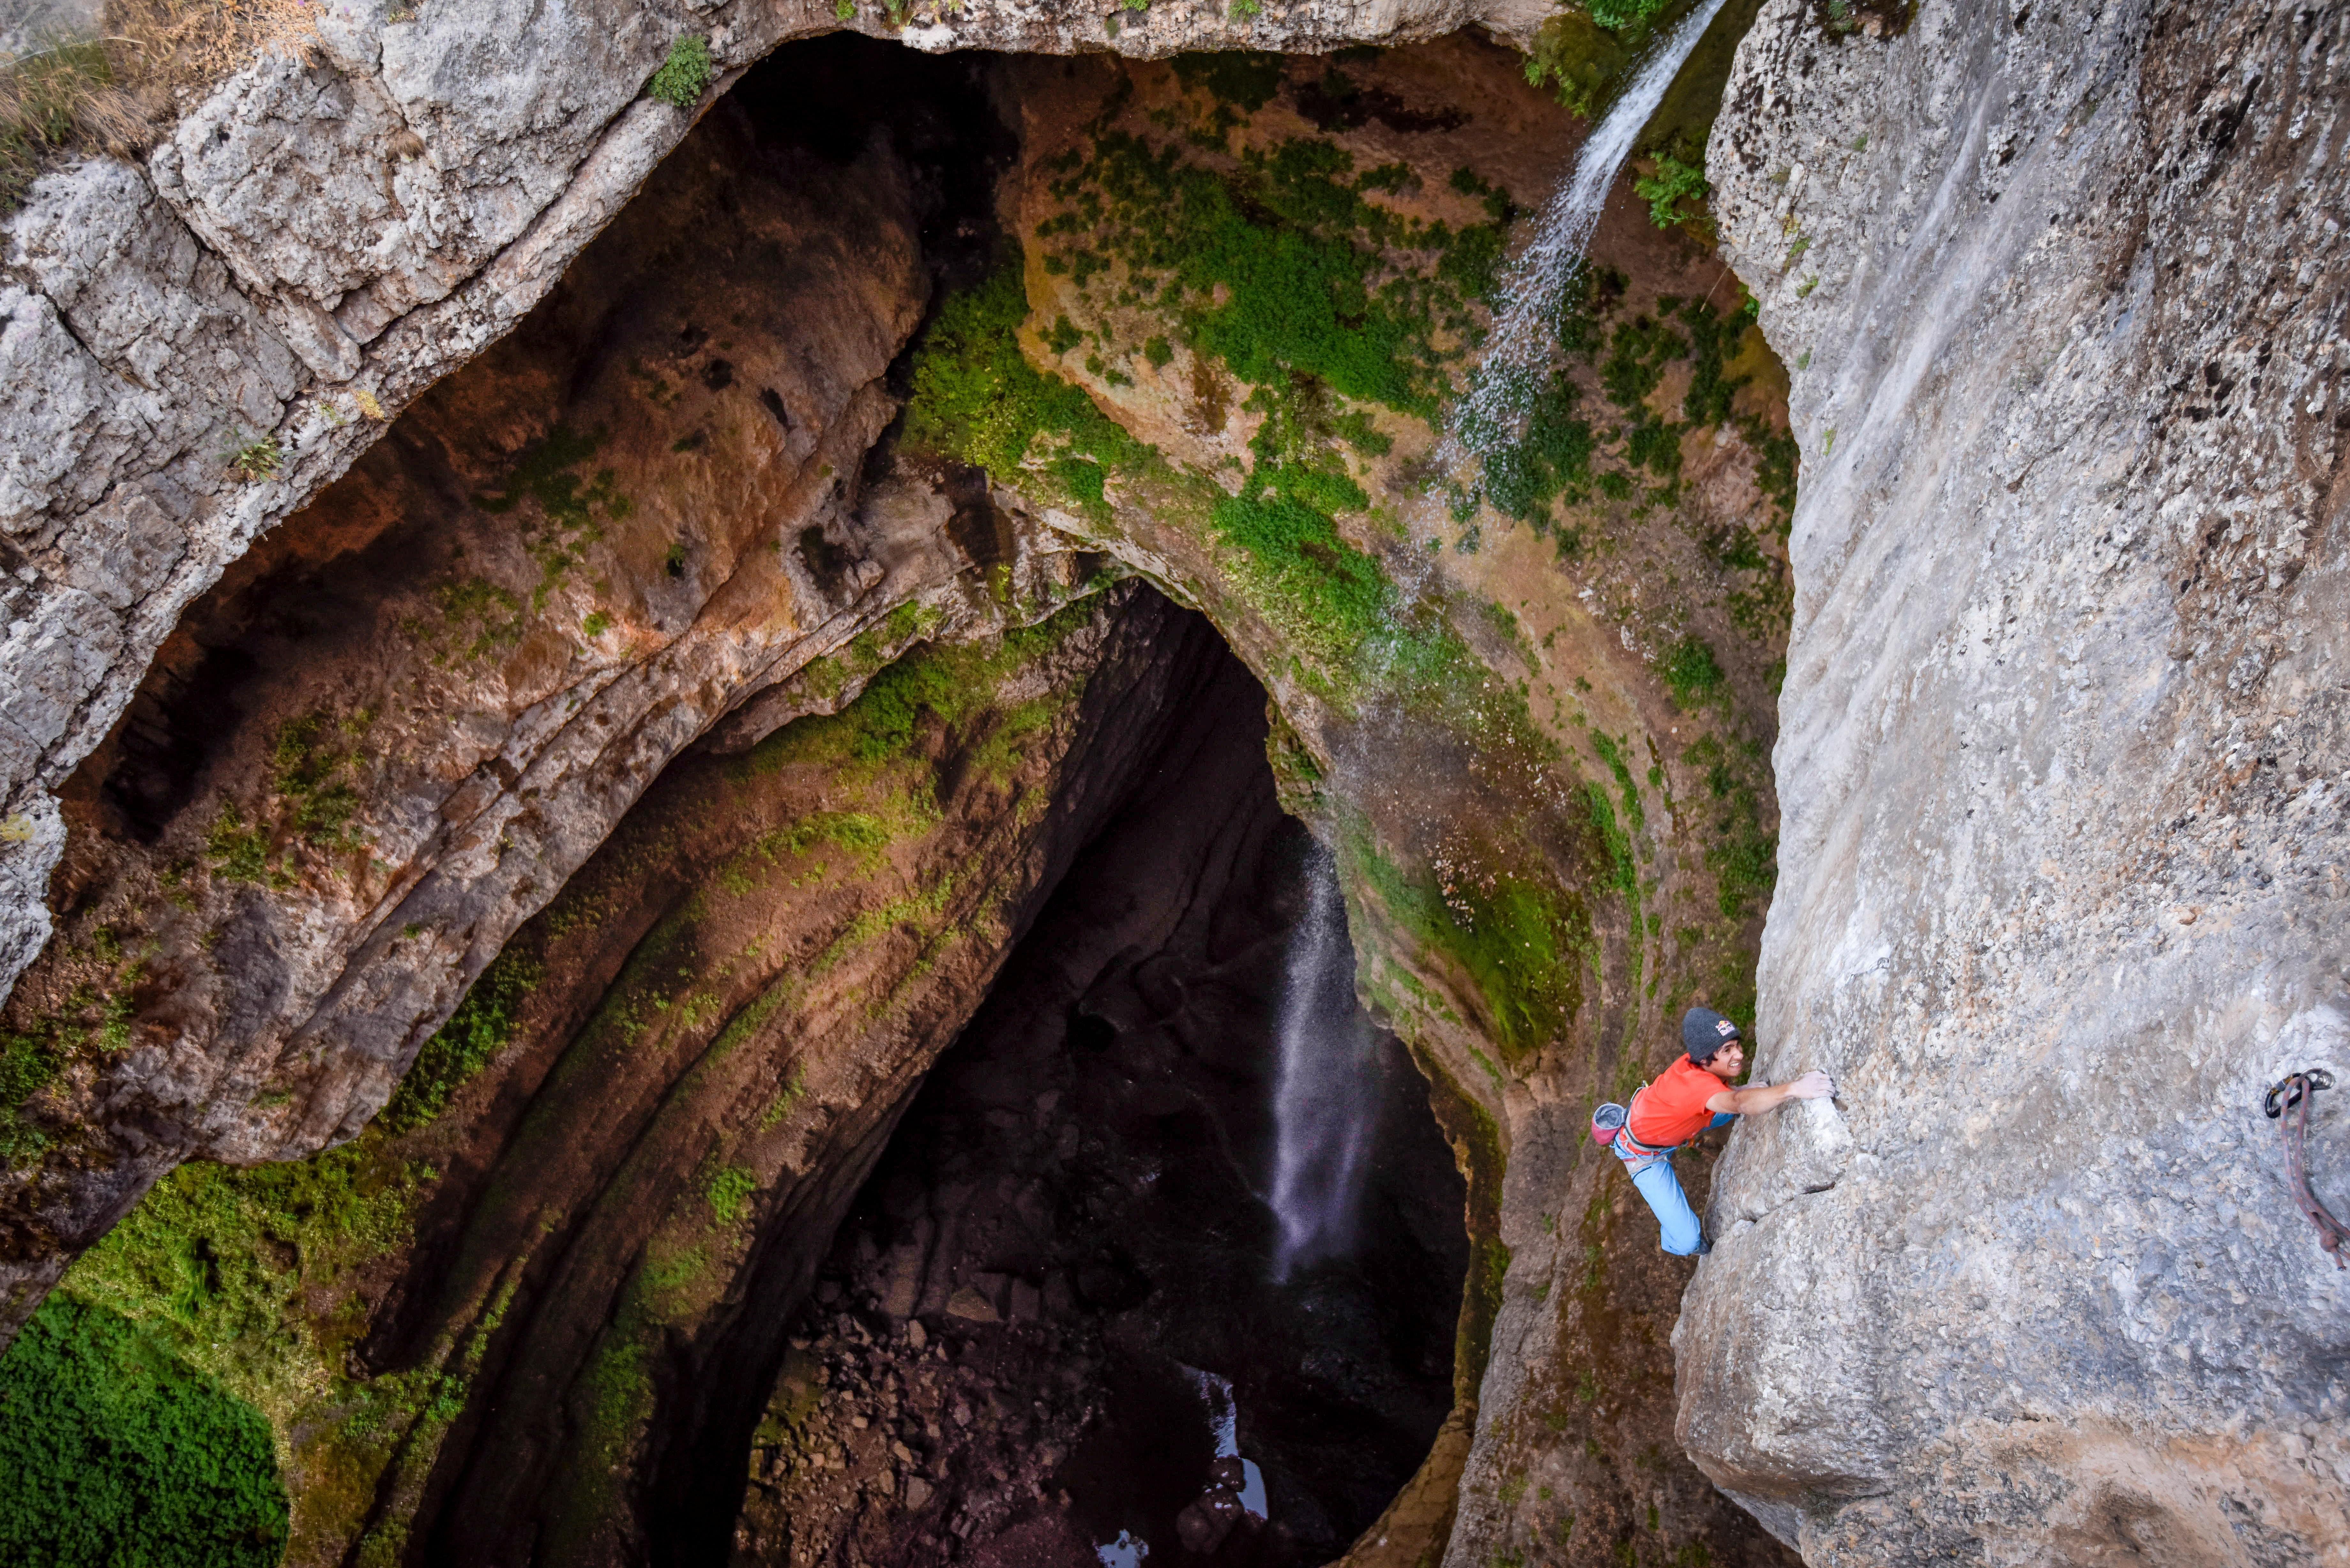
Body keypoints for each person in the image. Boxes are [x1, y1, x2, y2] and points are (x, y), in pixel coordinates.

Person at [1596, 1006, 1834, 1256]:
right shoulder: (1696, 1087)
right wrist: (1794, 1089)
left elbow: (1731, 1099)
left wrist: (1740, 1090)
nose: (1739, 1055)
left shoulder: (1700, 1065)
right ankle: (1673, 1241)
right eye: (1727, 1051)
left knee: (1733, 1106)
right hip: (1643, 1156)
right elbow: (1739, 1104)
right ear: (1705, 1059)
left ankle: (1717, 1108)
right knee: (1688, 1240)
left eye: (1737, 1045)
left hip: (1668, 1125)